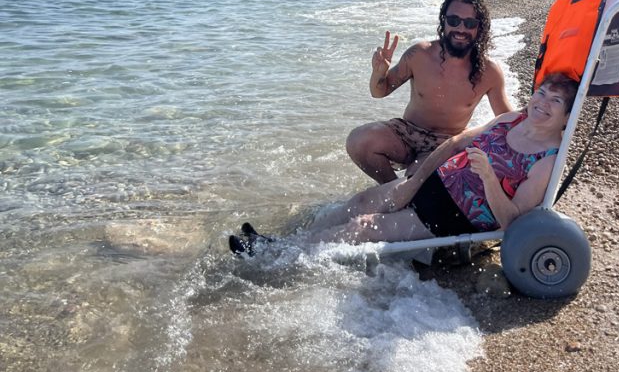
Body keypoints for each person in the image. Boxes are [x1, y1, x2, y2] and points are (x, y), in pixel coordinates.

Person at [229, 73, 577, 255]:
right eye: (542, 92)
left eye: (555, 100)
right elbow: (456, 143)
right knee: (361, 203)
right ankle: (287, 242)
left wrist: (487, 176)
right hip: (431, 183)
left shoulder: (547, 161)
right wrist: (416, 180)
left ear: (566, 116)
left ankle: (277, 257)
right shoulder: (510, 121)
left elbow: (512, 222)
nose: (542, 102)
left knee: (364, 227)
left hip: (456, 214)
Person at [345, 0, 512, 184]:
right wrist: (379, 72)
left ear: (479, 28)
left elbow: (506, 120)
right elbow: (379, 92)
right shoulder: (419, 54)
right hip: (406, 132)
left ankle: (405, 194)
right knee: (358, 140)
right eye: (454, 20)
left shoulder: (489, 72)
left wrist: (545, 114)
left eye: (470, 23)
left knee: (421, 183)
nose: (460, 28)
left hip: (446, 143)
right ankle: (391, 190)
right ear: (444, 21)